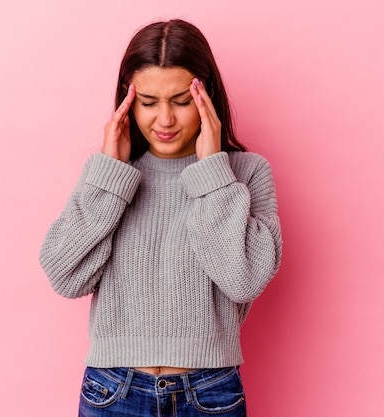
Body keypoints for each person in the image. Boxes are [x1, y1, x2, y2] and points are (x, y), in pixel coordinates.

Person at [39, 18, 282, 417]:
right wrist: (110, 176)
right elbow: (65, 277)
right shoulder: (110, 175)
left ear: (207, 98)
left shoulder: (245, 173)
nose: (165, 120)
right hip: (113, 392)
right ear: (127, 101)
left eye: (182, 101)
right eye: (148, 102)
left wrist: (213, 171)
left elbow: (244, 281)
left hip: (210, 394)